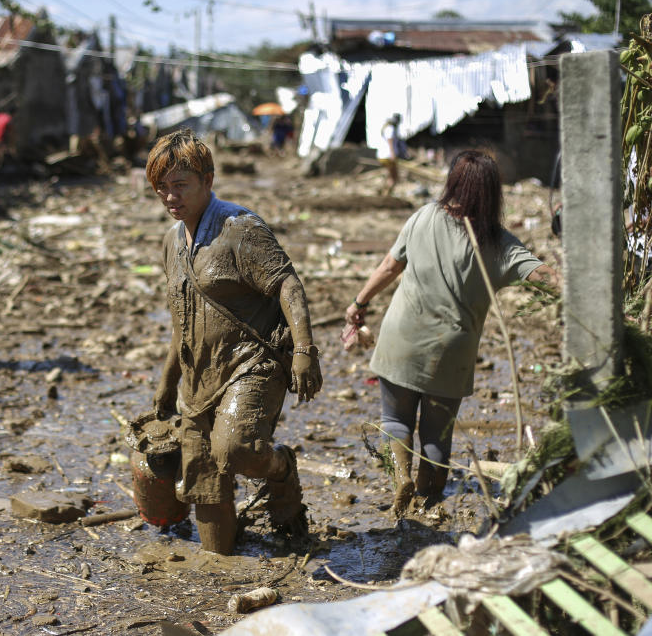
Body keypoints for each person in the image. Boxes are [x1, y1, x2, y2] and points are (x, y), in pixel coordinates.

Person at [345, 150, 557, 517]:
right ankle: (428, 504)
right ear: (493, 193)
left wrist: (359, 302)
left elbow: (389, 265)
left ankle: (401, 482)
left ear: (453, 183)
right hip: (451, 354)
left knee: (395, 421)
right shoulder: (500, 243)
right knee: (436, 436)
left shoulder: (423, 217)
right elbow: (545, 278)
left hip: (402, 338)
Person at [148, 128, 323, 555]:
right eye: (162, 188)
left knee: (237, 449)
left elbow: (288, 285)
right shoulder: (171, 242)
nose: (171, 196)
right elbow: (181, 322)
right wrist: (167, 386)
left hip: (251, 365)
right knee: (211, 526)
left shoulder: (239, 229)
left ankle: (280, 468)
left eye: (180, 185)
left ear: (207, 181)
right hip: (197, 378)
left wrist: (303, 351)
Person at [377, 113, 402, 195]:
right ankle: (386, 194)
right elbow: (390, 141)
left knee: (390, 175)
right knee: (393, 177)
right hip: (388, 156)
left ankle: (385, 192)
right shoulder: (390, 128)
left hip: (384, 155)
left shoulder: (386, 128)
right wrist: (393, 154)